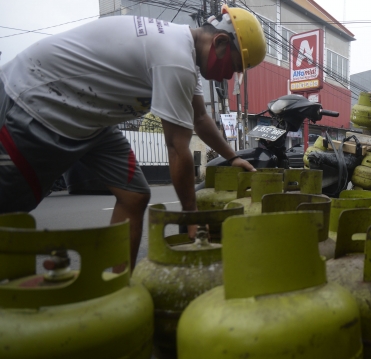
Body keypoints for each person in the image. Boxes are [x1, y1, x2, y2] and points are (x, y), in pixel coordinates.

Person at [0, 5, 266, 270]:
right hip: (37, 99)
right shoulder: (174, 56)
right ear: (219, 41)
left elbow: (200, 118)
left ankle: (115, 285)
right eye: (233, 66)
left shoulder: (184, 55)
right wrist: (191, 215)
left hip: (94, 120)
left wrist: (232, 158)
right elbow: (176, 146)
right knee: (9, 202)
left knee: (135, 195)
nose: (230, 76)